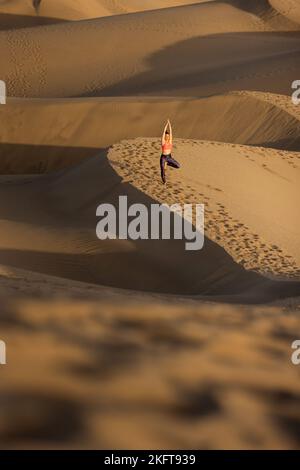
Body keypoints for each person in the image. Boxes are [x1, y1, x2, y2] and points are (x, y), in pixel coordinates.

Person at [160, 119, 180, 184]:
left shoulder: (170, 141)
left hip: (169, 157)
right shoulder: (163, 142)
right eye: (166, 136)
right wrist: (166, 125)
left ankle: (168, 164)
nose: (167, 137)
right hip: (163, 157)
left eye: (168, 136)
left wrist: (169, 124)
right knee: (163, 169)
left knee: (178, 166)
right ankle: (164, 181)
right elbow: (163, 132)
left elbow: (171, 132)